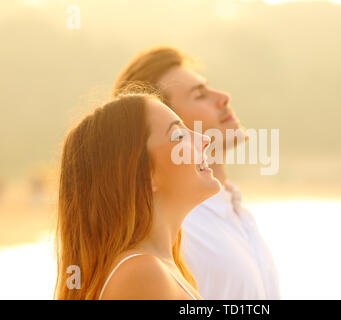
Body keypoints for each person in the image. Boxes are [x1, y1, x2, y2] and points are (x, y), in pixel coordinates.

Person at [113, 47, 280, 299]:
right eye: (199, 95)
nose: (223, 97)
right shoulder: (174, 231)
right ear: (167, 119)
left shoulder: (239, 214)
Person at [55, 93, 220, 299]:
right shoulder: (143, 274)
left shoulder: (159, 269)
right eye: (178, 135)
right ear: (143, 174)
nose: (205, 139)